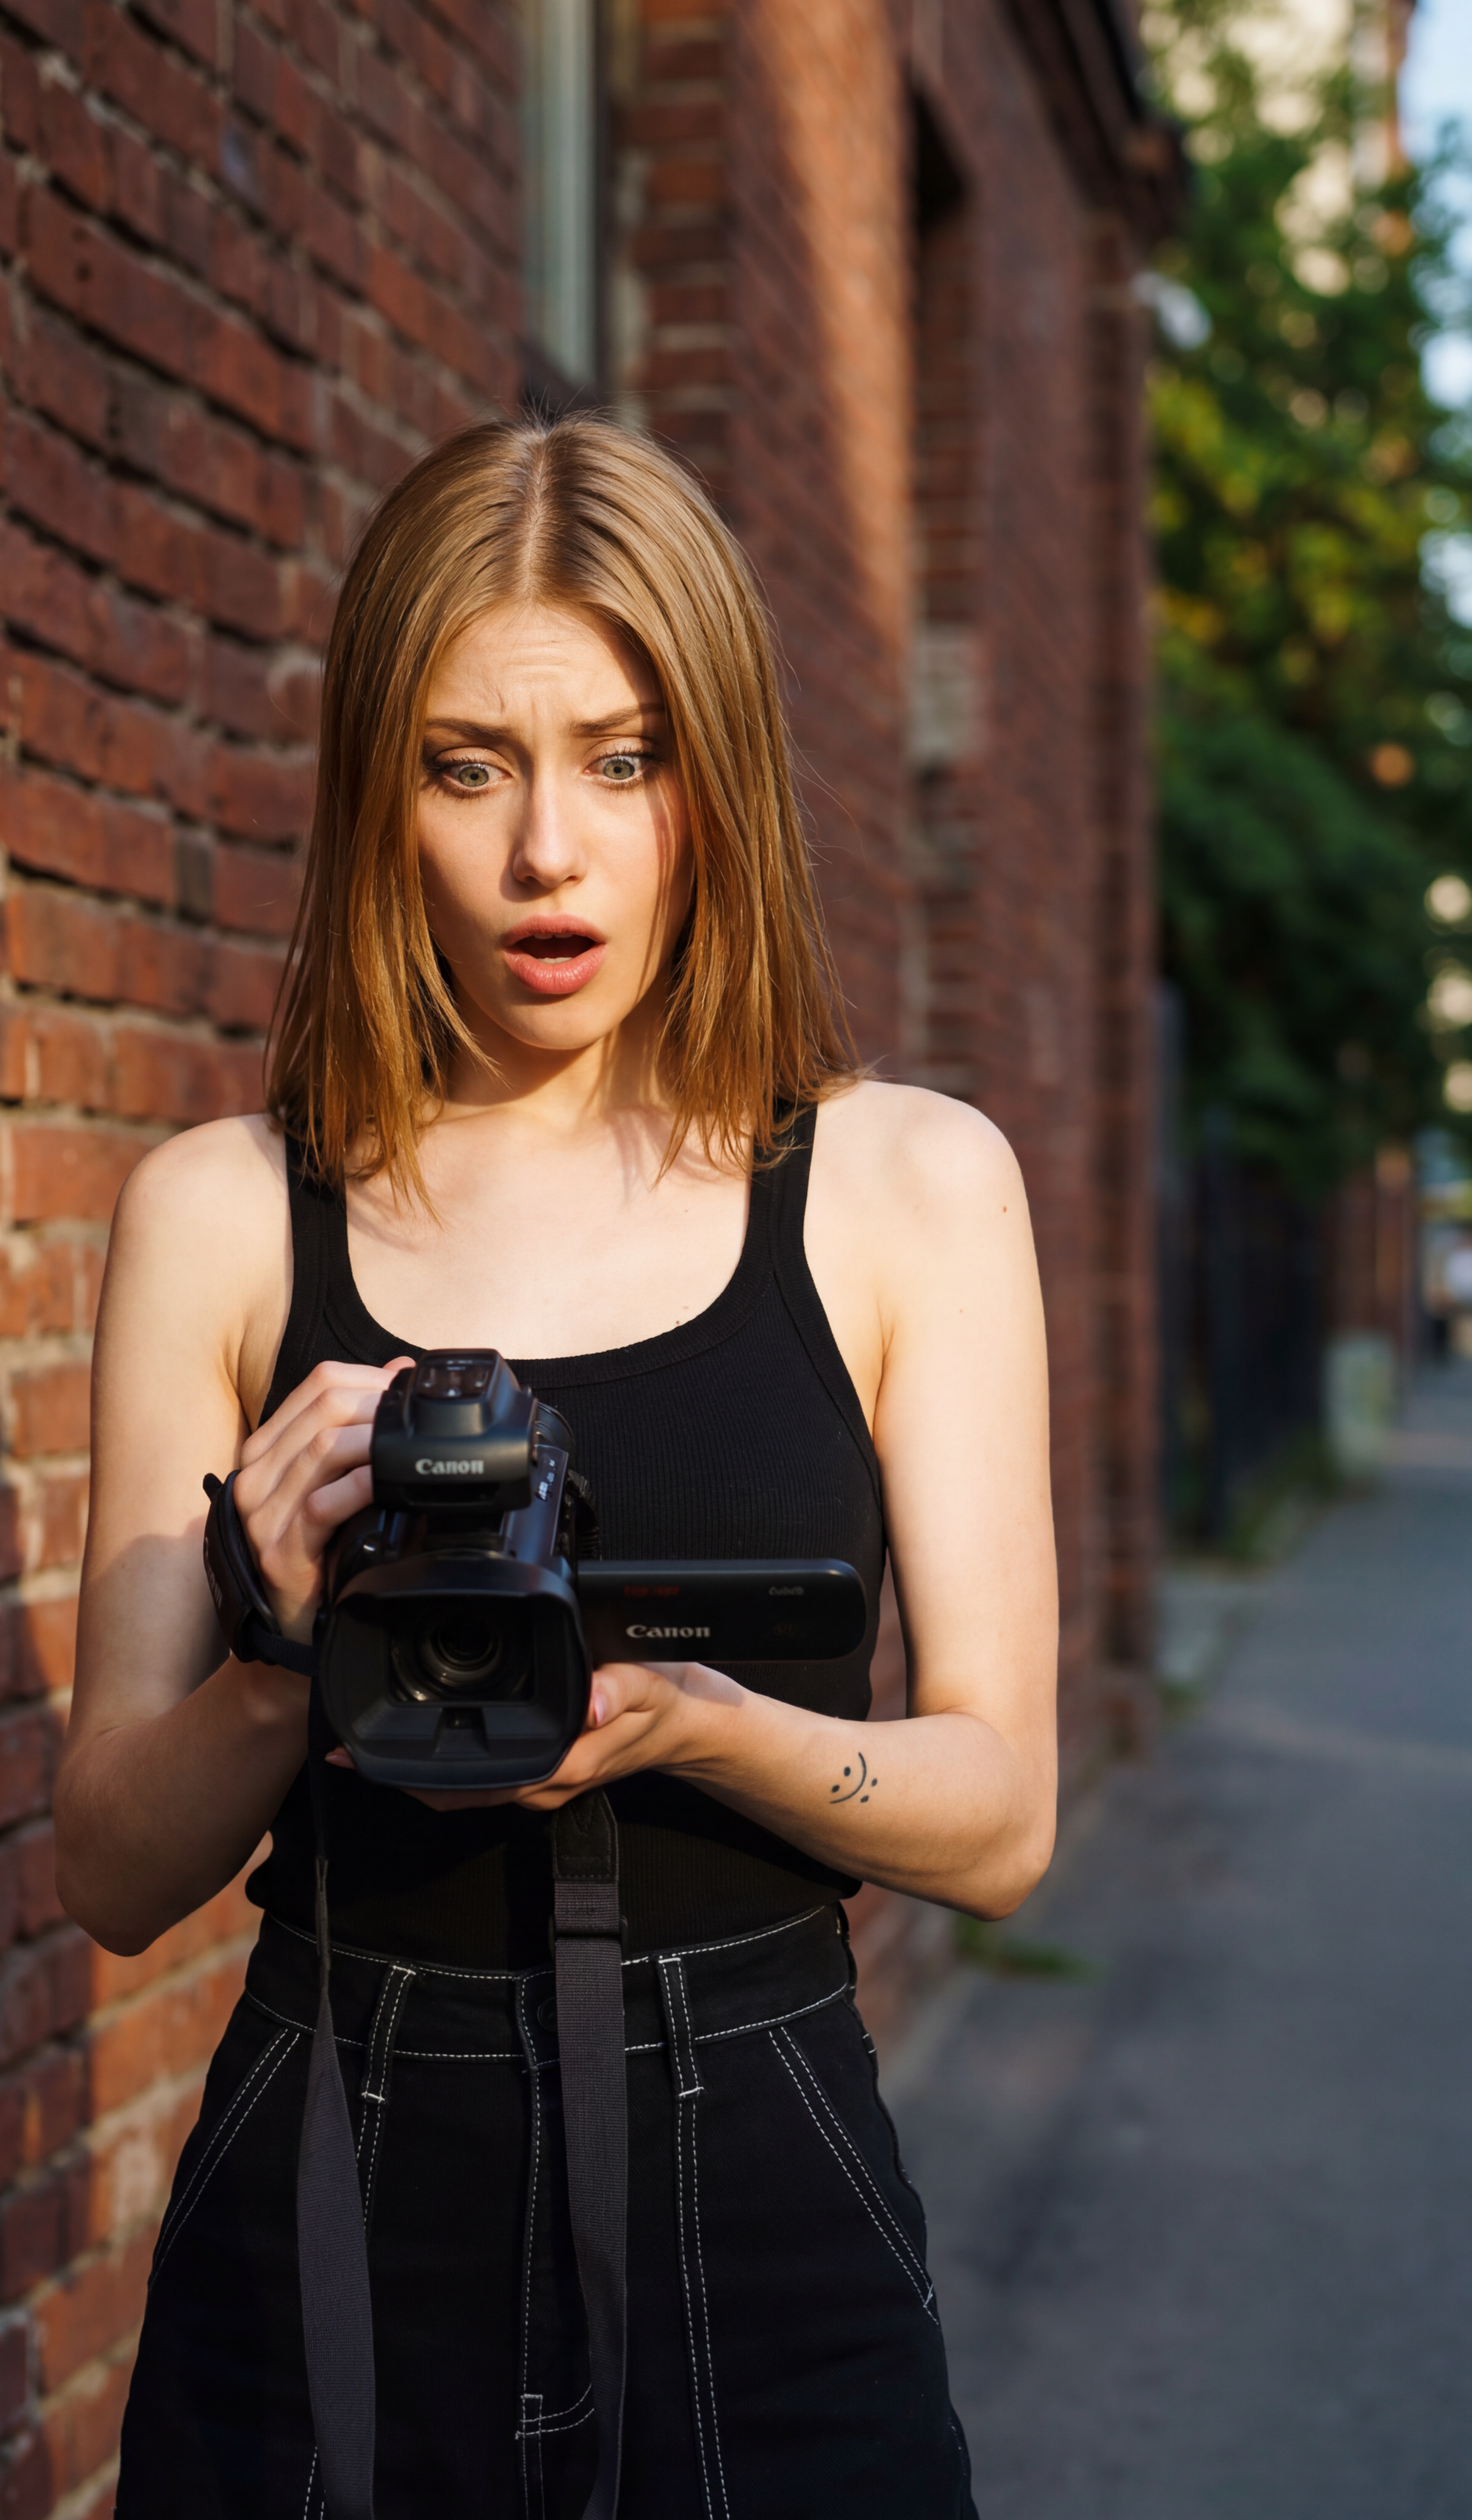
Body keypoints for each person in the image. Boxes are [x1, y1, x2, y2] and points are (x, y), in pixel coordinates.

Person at [57, 413, 1058, 2519]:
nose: (548, 855)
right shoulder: (229, 1213)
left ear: (721, 779)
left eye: (623, 757)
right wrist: (278, 1651)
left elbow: (998, 1812)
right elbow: (113, 1868)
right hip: (332, 2167)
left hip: (760, 2176)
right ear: (376, 797)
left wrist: (695, 1724)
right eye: (464, 765)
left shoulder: (900, 1186)